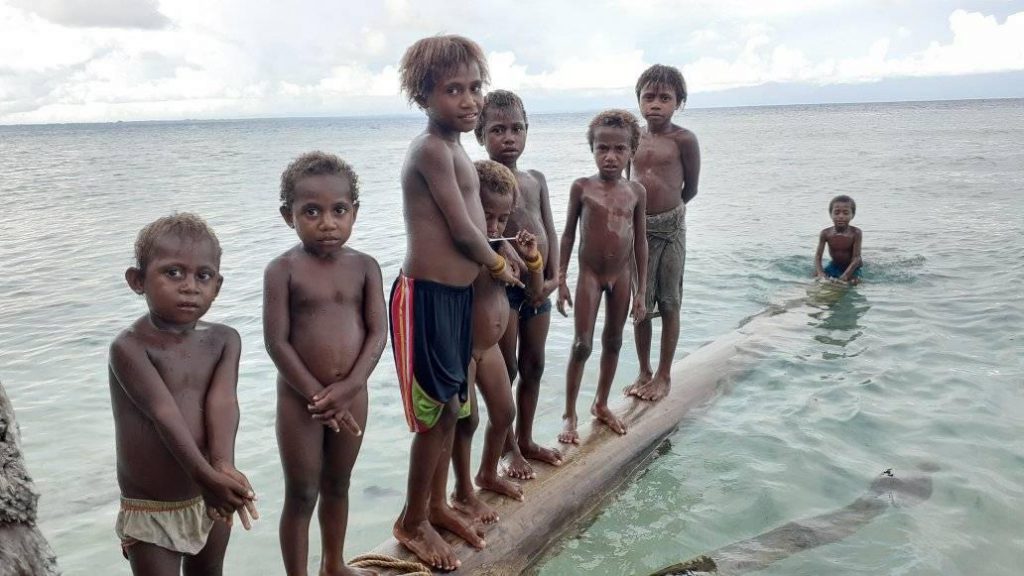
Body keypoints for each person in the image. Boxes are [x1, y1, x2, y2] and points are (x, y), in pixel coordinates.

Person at [388, 34, 522, 572]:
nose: (468, 101)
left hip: (454, 298)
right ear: (423, 96)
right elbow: (465, 231)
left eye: (474, 89)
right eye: (452, 90)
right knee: (435, 413)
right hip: (425, 299)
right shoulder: (429, 150)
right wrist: (497, 264)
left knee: (452, 409)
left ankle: (437, 504)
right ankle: (410, 520)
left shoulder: (456, 147)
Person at [109, 213, 257, 576]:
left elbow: (223, 404)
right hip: (153, 508)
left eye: (202, 276)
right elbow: (163, 413)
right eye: (173, 273)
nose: (190, 286)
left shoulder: (225, 340)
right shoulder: (130, 347)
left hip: (211, 494)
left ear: (217, 285)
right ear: (137, 280)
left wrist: (221, 465)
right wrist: (206, 475)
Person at [264, 151, 387, 576]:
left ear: (355, 212)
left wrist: (350, 387)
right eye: (311, 211)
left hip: (352, 394)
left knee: (338, 483)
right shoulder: (282, 270)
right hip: (302, 402)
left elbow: (377, 334)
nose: (327, 222)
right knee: (301, 493)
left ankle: (334, 564)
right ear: (288, 216)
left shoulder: (366, 267)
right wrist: (318, 396)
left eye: (339, 210)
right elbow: (277, 342)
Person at [474, 89, 564, 480]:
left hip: (539, 283)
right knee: (506, 368)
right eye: (497, 130)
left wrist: (556, 275)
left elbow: (550, 228)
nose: (508, 137)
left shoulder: (536, 179)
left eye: (516, 128)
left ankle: (526, 438)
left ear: (528, 131)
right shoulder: (480, 180)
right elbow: (480, 234)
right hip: (504, 290)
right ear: (480, 135)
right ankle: (507, 450)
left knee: (534, 364)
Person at [451, 160, 544, 522]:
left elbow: (533, 294)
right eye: (485, 216)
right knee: (466, 421)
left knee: (505, 413)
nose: (493, 227)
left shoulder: (503, 249)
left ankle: (487, 472)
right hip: (462, 348)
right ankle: (461, 492)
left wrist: (532, 259)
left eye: (501, 219)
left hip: (488, 350)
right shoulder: (462, 250)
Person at [557, 109, 648, 445]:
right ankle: (569, 413)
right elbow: (567, 235)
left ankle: (601, 403)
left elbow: (640, 241)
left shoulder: (636, 191)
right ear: (592, 149)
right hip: (590, 276)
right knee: (582, 344)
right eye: (602, 149)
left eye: (619, 149)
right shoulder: (581, 188)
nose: (610, 157)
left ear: (631, 151)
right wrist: (561, 278)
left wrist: (641, 291)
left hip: (621, 275)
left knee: (614, 341)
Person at [624, 64, 701, 403]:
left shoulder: (684, 139)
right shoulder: (631, 137)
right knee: (639, 303)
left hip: (671, 230)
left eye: (665, 98)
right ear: (639, 100)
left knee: (669, 301)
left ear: (679, 102)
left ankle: (664, 374)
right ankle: (643, 370)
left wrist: (668, 213)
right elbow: (627, 182)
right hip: (637, 231)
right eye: (649, 97)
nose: (656, 104)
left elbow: (691, 188)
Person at [814, 194, 863, 284]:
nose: (841, 216)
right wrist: (821, 273)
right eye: (836, 213)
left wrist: (845, 276)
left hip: (852, 267)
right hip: (835, 265)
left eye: (845, 213)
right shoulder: (825, 233)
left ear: (852, 215)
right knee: (815, 277)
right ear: (830, 214)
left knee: (854, 282)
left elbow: (856, 258)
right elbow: (818, 257)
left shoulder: (856, 233)